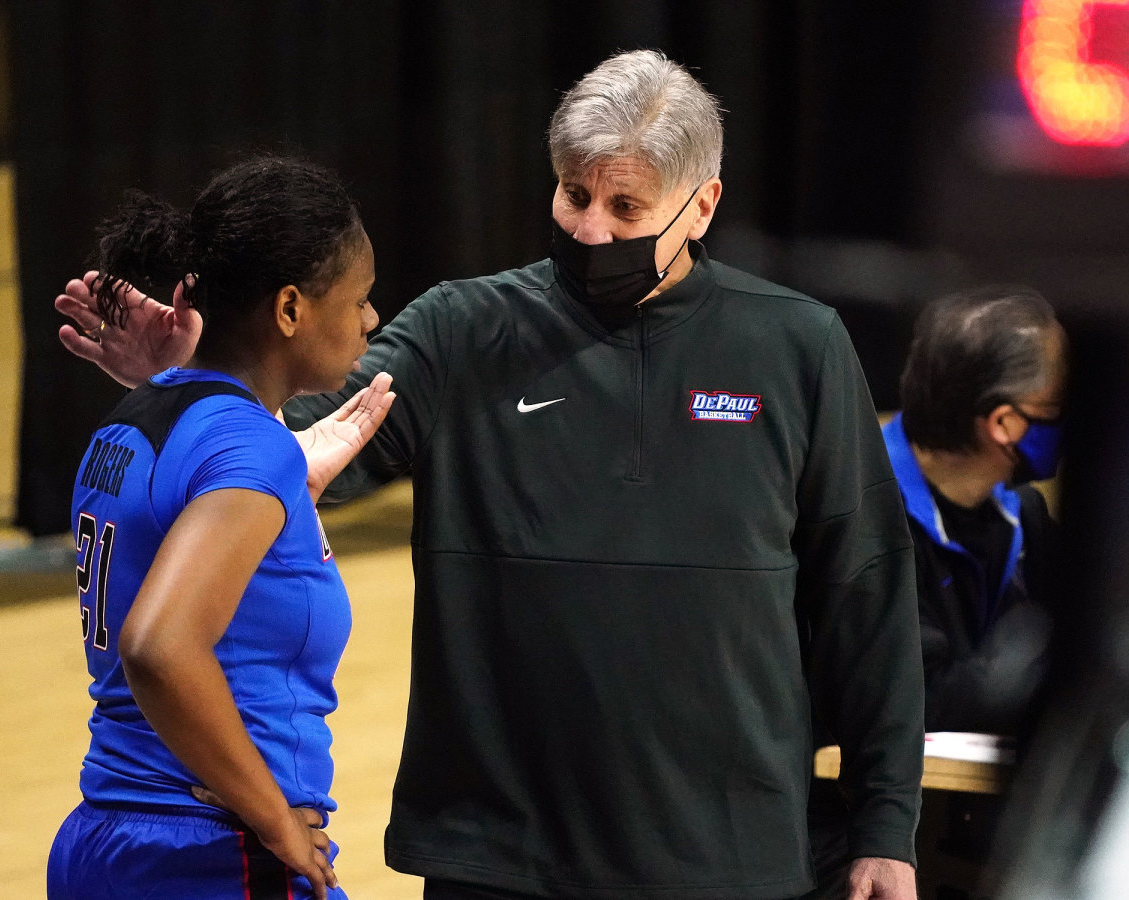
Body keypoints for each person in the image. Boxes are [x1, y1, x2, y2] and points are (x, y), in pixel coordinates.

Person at [57, 51, 924, 900]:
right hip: (497, 856)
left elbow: (868, 593)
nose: (589, 227)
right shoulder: (460, 329)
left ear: (701, 207)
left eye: (626, 207)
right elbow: (292, 447)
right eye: (574, 194)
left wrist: (887, 826)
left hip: (728, 854)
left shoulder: (798, 346)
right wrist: (194, 382)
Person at [47, 156, 396, 900]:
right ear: (291, 309)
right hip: (210, 853)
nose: (371, 320)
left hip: (105, 838)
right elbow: (160, 645)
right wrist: (275, 822)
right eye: (360, 299)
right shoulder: (249, 448)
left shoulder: (129, 422)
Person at [889, 286, 1065, 892]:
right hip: (869, 844)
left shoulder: (1025, 519)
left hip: (992, 832)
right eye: (1062, 402)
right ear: (1004, 424)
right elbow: (919, 699)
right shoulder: (853, 515)